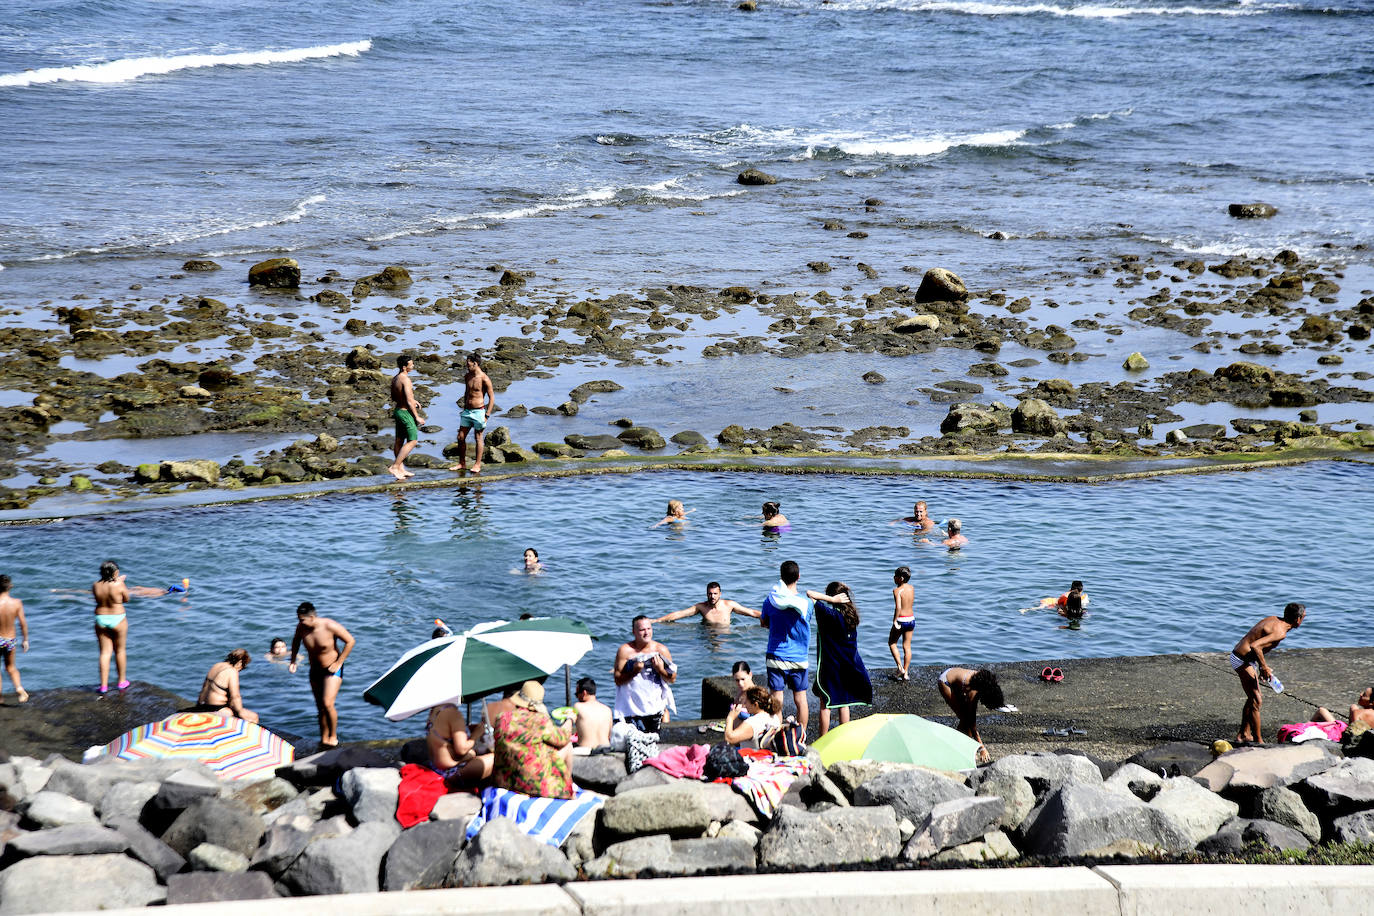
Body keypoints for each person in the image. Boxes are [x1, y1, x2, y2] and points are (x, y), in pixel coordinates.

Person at [1232, 602, 1306, 744]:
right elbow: (1255, 646)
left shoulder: (1274, 619)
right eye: (1303, 617)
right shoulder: (1280, 632)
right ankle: (1259, 741)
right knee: (1256, 700)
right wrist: (1264, 667)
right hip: (1241, 659)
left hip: (1246, 659)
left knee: (1252, 698)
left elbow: (1254, 642)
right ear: (1298, 619)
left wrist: (1261, 667)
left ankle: (1244, 734)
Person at [289, 601, 356, 747]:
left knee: (327, 703)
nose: (300, 622)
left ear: (312, 617)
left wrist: (338, 663)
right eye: (299, 619)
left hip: (332, 669)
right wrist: (293, 661)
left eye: (302, 619)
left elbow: (350, 641)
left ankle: (333, 736)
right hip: (315, 670)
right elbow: (296, 642)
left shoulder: (329, 625)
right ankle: (324, 738)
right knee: (320, 707)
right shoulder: (301, 627)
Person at [492, 680, 574, 799]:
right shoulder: (540, 720)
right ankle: (568, 786)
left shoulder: (502, 718)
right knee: (567, 746)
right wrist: (570, 720)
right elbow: (563, 739)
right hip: (534, 785)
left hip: (504, 781)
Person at [809, 581, 872, 735]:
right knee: (844, 703)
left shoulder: (828, 614)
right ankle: (844, 736)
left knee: (826, 704)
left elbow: (810, 594)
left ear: (833, 597)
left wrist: (831, 599)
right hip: (849, 664)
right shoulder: (851, 616)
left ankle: (822, 739)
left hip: (830, 665)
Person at [760, 559, 812, 729]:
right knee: (801, 700)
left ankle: (776, 734)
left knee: (776, 699)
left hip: (776, 655)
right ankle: (801, 736)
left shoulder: (771, 600)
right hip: (799, 657)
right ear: (798, 576)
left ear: (781, 577)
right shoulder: (806, 603)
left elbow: (764, 622)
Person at [612, 616, 678, 732]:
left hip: (655, 706)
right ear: (634, 632)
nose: (646, 633)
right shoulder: (625, 651)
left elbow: (672, 679)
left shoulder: (661, 650)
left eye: (649, 629)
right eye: (642, 630)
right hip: (631, 708)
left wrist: (660, 669)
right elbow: (618, 680)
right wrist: (634, 672)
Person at [937, 667, 1004, 765]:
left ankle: (959, 746)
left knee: (966, 719)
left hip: (957, 677)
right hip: (945, 681)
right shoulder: (973, 693)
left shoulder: (990, 685)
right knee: (965, 719)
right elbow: (972, 724)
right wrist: (982, 748)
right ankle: (953, 746)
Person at [425, 701, 493, 790]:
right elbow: (461, 749)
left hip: (436, 769)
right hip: (451, 773)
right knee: (495, 757)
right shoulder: (453, 713)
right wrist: (477, 734)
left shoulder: (435, 711)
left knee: (474, 753)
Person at [451, 352, 495, 475]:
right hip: (467, 411)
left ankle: (477, 464)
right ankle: (462, 463)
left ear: (475, 364)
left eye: (468, 364)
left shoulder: (484, 379)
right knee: (460, 437)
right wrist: (464, 408)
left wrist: (487, 415)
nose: (467, 366)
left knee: (478, 437)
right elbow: (466, 392)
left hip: (479, 411)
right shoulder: (468, 376)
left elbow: (491, 397)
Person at [92, 560, 130, 694]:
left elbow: (97, 599)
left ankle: (103, 686)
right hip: (118, 618)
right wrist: (120, 582)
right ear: (116, 573)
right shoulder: (119, 584)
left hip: (101, 618)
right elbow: (126, 599)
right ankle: (121, 682)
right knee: (120, 650)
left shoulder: (95, 585)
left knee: (104, 652)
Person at [653, 581, 761, 627]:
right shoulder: (701, 607)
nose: (712, 596)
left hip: (725, 638)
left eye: (715, 594)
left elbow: (751, 612)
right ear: (706, 594)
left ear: (720, 594)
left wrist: (766, 617)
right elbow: (680, 614)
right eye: (710, 594)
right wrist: (657, 620)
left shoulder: (729, 605)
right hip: (707, 636)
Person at [192, 649, 259, 722]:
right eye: (243, 666)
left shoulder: (217, 665)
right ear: (240, 662)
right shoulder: (232, 671)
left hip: (203, 705)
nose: (241, 670)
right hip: (216, 708)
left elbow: (204, 688)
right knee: (253, 717)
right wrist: (240, 712)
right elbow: (235, 696)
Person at [388, 353, 425, 481]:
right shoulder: (406, 379)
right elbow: (409, 401)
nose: (413, 366)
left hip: (398, 410)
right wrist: (417, 416)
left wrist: (413, 400)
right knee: (413, 441)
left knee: (399, 440)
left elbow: (395, 397)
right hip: (405, 413)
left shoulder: (395, 378)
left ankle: (401, 469)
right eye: (411, 364)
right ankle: (395, 466)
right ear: (404, 367)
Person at [0, 575, 29, 704]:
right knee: (11, 667)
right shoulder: (17, 603)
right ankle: (19, 688)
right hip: (10, 640)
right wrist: (25, 640)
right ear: (10, 586)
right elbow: (23, 623)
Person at [888, 566, 915, 681]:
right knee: (907, 646)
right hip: (911, 619)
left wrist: (894, 620)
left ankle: (900, 668)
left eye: (896, 576)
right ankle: (906, 673)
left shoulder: (897, 591)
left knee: (892, 642)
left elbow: (898, 607)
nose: (894, 578)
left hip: (901, 619)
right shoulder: (912, 588)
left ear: (901, 578)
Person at [572, 677, 613, 751]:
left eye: (577, 694)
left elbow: (568, 728)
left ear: (584, 693)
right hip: (606, 749)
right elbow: (609, 735)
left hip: (586, 750)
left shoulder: (577, 706)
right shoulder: (607, 710)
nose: (577, 697)